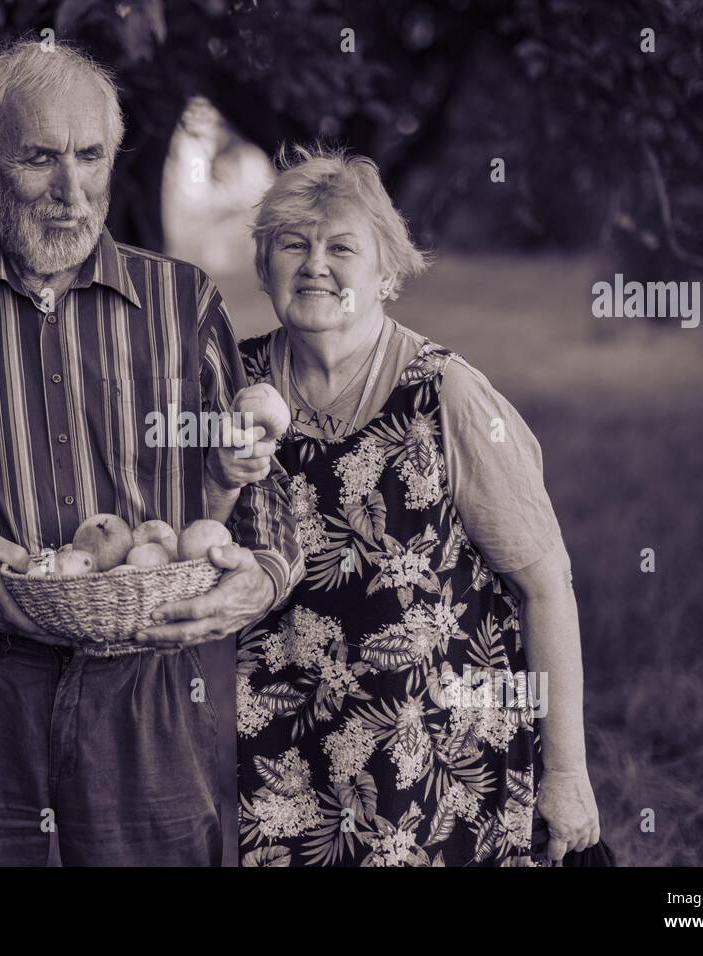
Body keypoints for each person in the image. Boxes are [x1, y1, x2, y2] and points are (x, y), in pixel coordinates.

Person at [0, 39, 302, 866]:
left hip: (145, 683)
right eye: (38, 158)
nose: (70, 191)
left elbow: (255, 479)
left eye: (89, 156)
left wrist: (267, 569)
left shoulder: (183, 305)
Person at [209, 144, 600, 866]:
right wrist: (221, 471)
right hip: (280, 759)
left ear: (387, 274)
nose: (314, 263)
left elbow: (546, 584)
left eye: (341, 247)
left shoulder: (445, 394)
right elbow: (190, 541)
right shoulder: (235, 383)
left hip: (439, 759)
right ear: (265, 268)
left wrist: (568, 773)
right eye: (292, 244)